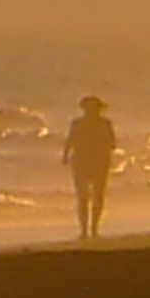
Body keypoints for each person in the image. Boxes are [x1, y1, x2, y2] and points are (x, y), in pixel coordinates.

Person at [62, 94, 116, 240]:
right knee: (97, 196)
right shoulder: (105, 124)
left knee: (82, 198)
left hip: (81, 162)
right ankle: (93, 229)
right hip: (100, 163)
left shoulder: (77, 124)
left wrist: (65, 157)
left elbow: (69, 142)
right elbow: (112, 144)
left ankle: (85, 230)